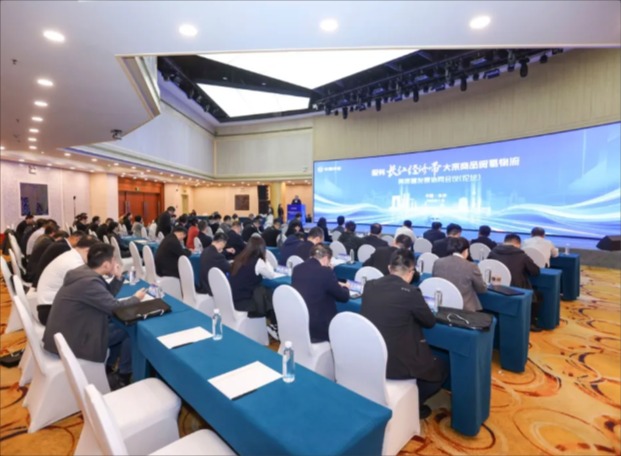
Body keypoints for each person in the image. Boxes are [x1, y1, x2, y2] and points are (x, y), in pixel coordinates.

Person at [42, 243, 146, 390]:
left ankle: (109, 367)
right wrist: (136, 298)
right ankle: (123, 375)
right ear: (106, 265)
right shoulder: (89, 282)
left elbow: (105, 296)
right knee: (130, 330)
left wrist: (118, 278)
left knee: (119, 326)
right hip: (76, 340)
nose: (116, 263)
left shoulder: (82, 272)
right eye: (113, 260)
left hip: (71, 331)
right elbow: (115, 307)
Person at [361, 248, 449, 419]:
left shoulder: (369, 286)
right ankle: (414, 403)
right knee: (441, 368)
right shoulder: (411, 293)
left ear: (389, 268)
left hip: (370, 355)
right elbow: (429, 322)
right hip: (396, 363)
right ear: (411, 272)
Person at [291, 244, 350, 342]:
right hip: (319, 326)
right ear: (326, 258)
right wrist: (346, 287)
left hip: (300, 320)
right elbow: (343, 297)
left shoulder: (297, 268)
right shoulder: (325, 272)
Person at [36, 235, 100, 324]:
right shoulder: (74, 264)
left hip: (49, 307)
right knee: (99, 314)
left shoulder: (71, 255)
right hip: (51, 312)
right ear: (88, 251)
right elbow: (91, 290)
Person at [489, 233, 542, 331]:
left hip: (495, 286)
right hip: (516, 288)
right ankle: (531, 323)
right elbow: (535, 271)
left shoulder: (493, 252)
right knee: (538, 294)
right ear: (518, 244)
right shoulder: (521, 255)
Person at [228, 237, 278, 336]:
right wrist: (265, 258)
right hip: (245, 302)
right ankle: (274, 325)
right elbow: (271, 275)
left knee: (264, 292)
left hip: (232, 298)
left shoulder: (239, 258)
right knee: (269, 293)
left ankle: (273, 324)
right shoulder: (258, 262)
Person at [432, 237, 487, 312]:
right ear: (466, 250)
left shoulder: (438, 262)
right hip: (465, 308)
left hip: (442, 304)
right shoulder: (471, 266)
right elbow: (481, 289)